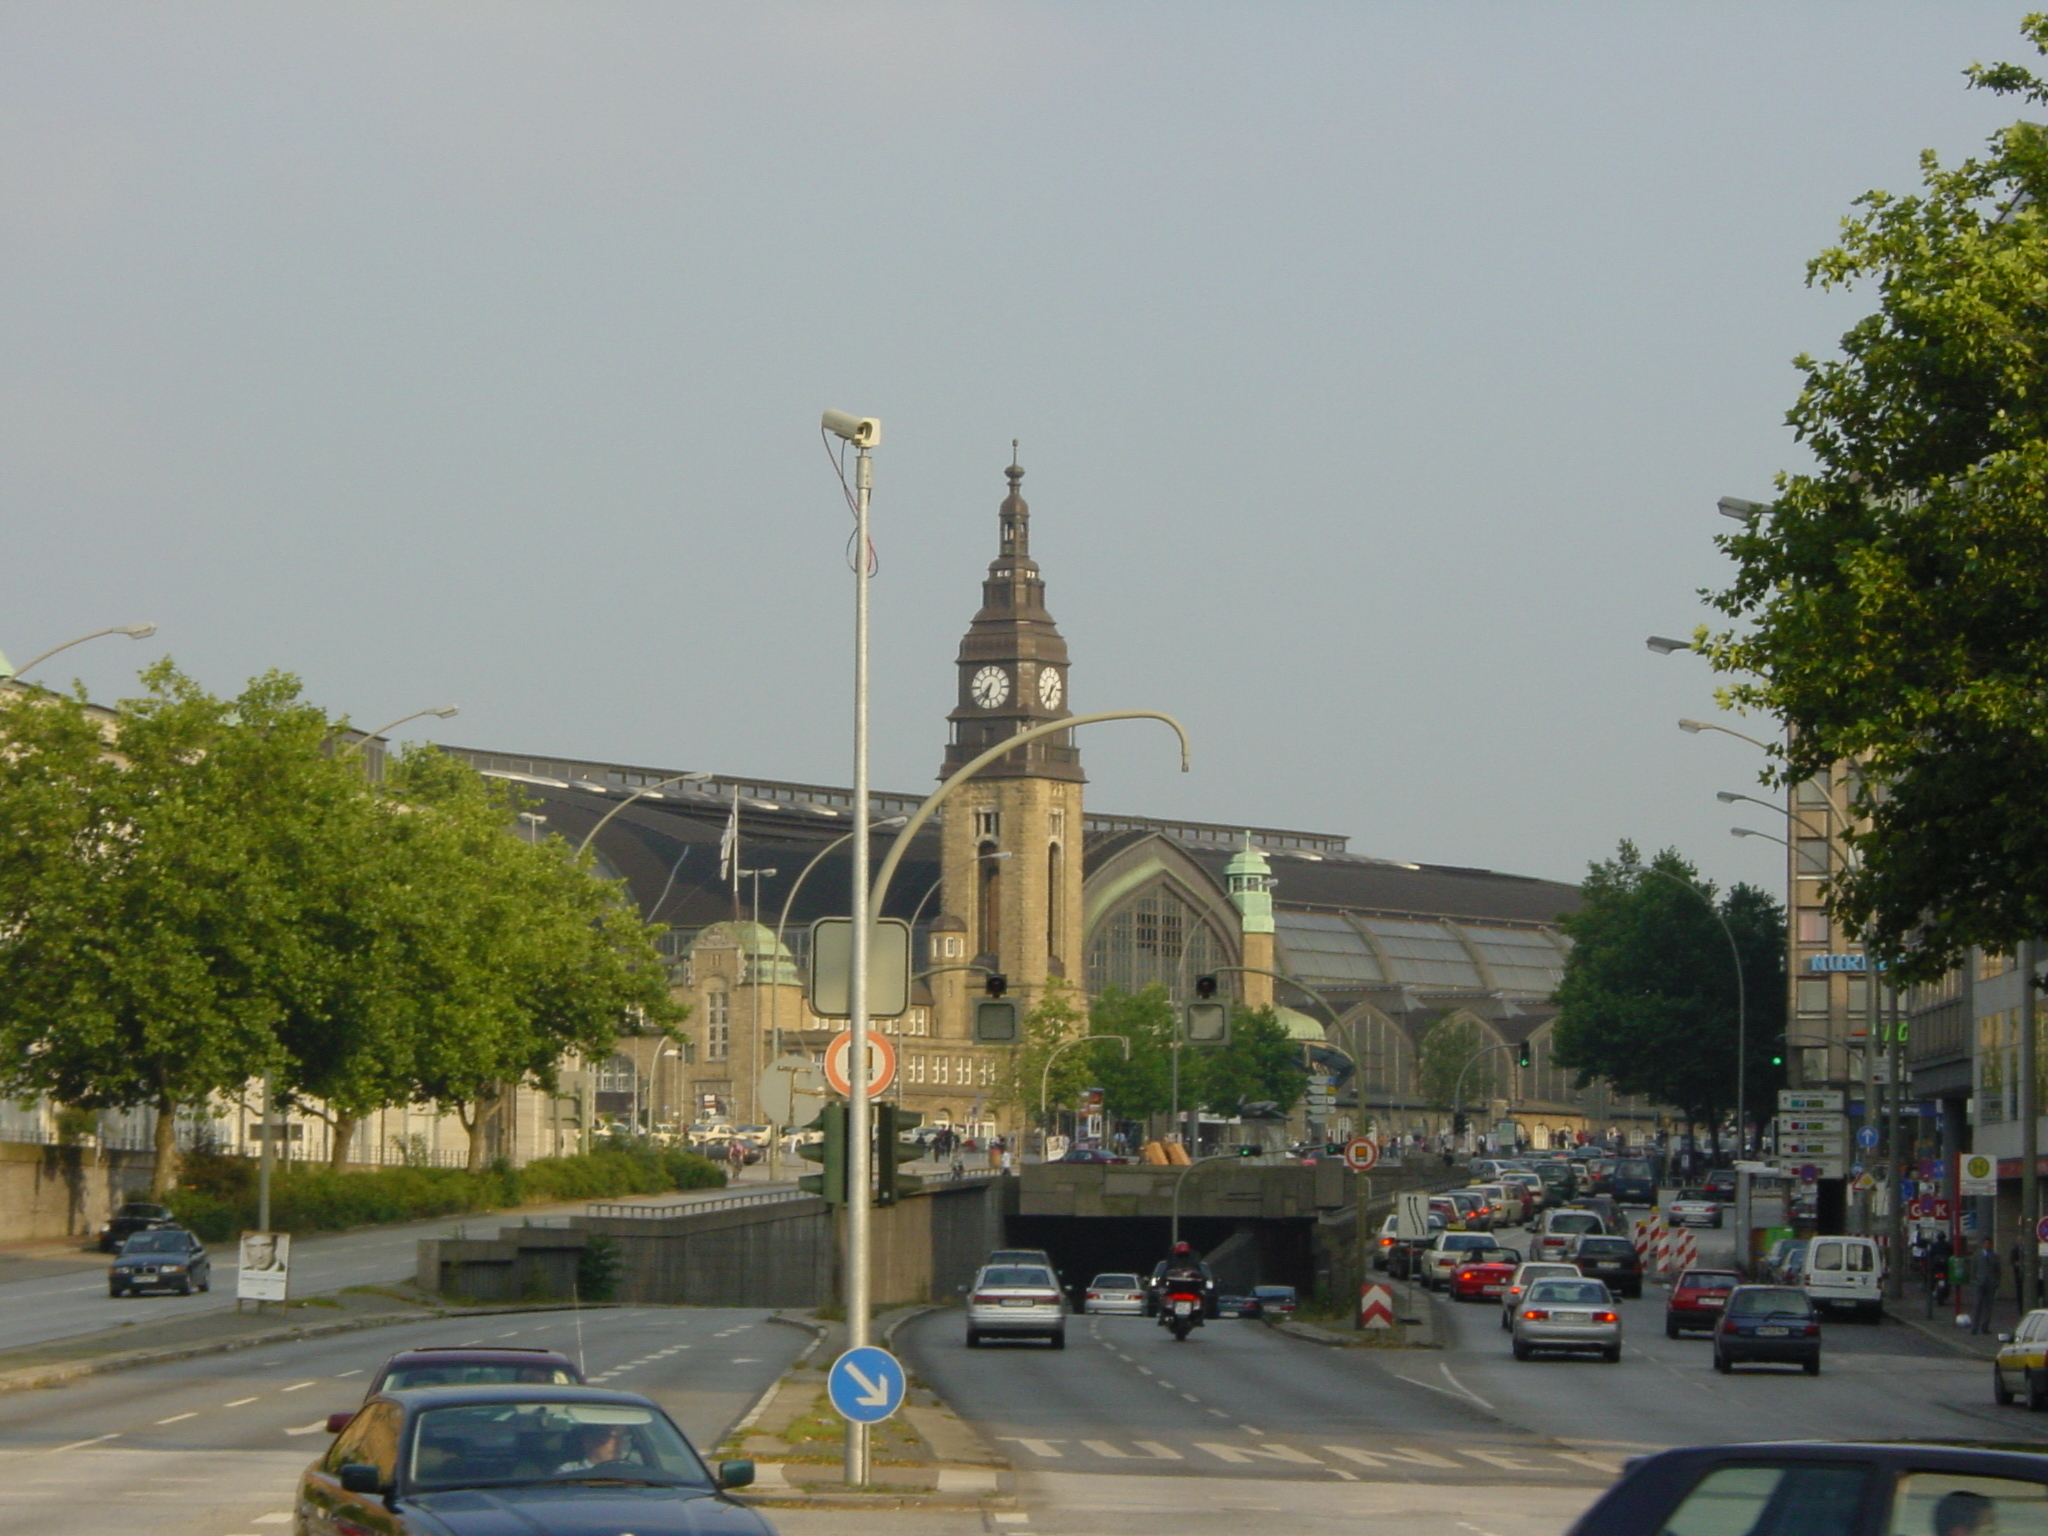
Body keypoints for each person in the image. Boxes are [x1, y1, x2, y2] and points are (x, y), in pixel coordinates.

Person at [556, 1422, 637, 1473]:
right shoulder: (569, 1471)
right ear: (588, 1442)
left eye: (621, 1437)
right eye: (609, 1437)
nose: (617, 1443)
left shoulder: (631, 1472)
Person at [1972, 1237, 2003, 1335]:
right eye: (1985, 1243)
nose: (1987, 1245)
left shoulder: (1995, 1256)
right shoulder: (1977, 1256)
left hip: (1991, 1284)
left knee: (1988, 1306)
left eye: (1989, 1244)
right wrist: (1974, 1280)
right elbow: (1973, 1269)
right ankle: (1974, 1327)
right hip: (1979, 1283)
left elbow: (1998, 1271)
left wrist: (1996, 1282)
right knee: (1978, 1305)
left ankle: (1985, 1327)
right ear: (1983, 1244)